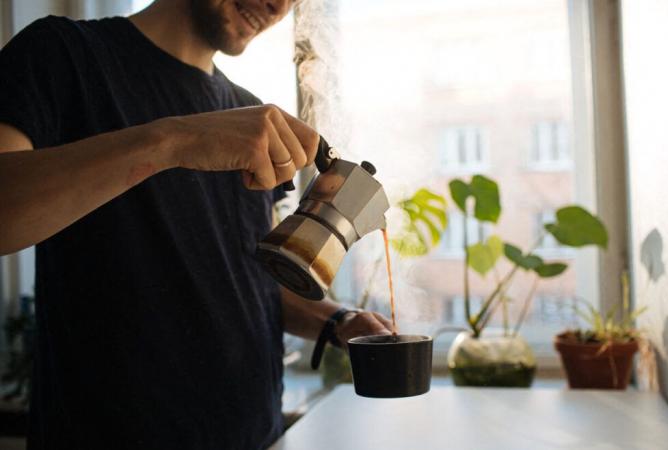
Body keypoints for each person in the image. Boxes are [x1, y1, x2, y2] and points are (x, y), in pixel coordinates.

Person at [0, 1, 393, 449]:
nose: (277, 6)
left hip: (255, 436)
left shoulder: (244, 113)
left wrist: (338, 321)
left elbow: (248, 280)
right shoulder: (62, 55)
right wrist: (173, 142)